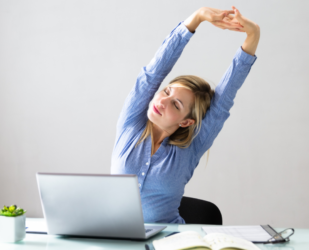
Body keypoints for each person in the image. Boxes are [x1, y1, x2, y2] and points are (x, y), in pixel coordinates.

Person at [111, 6, 260, 223]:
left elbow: (223, 101)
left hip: (169, 242)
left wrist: (253, 34)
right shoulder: (131, 124)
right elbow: (153, 74)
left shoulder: (191, 148)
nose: (162, 101)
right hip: (114, 239)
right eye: (167, 91)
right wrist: (196, 19)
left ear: (187, 121)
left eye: (176, 104)